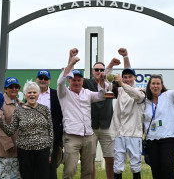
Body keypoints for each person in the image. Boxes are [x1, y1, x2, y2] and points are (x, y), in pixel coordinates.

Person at [57, 49, 108, 179]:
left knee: (87, 172)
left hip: (89, 136)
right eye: (74, 80)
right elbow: (60, 82)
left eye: (79, 80)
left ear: (82, 81)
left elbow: (102, 96)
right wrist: (70, 62)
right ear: (69, 80)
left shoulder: (87, 93)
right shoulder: (64, 93)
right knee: (69, 170)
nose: (77, 82)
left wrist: (102, 83)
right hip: (72, 136)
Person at [0, 80, 53, 179]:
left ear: (38, 94)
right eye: (29, 92)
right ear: (24, 94)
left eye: (34, 92)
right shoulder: (19, 110)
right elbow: (10, 130)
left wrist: (49, 152)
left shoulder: (45, 109)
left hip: (43, 151)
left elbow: (50, 131)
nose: (32, 94)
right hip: (25, 152)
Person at [143, 60, 174, 179]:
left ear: (162, 85)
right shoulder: (144, 100)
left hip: (168, 138)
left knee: (167, 166)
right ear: (149, 85)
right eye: (153, 83)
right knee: (155, 168)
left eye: (158, 83)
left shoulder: (168, 95)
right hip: (151, 139)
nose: (155, 86)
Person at [78, 49, 120, 178]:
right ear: (92, 71)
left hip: (108, 126)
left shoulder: (110, 85)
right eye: (97, 70)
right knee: (89, 160)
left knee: (110, 159)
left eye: (102, 70)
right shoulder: (86, 83)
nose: (99, 72)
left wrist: (110, 67)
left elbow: (104, 78)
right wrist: (110, 65)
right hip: (90, 127)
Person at [108, 48, 146, 179]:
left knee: (135, 165)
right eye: (125, 77)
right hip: (119, 133)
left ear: (135, 78)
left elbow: (134, 93)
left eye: (130, 76)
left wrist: (122, 83)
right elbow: (106, 79)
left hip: (134, 134)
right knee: (118, 166)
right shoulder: (119, 91)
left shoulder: (141, 91)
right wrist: (122, 59)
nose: (127, 79)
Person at [0, 77, 23, 179]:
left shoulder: (21, 104)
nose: (14, 89)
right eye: (11, 87)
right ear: (5, 89)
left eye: (16, 87)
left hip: (19, 150)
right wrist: (9, 145)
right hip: (5, 150)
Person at [36, 69, 63, 179]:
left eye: (45, 78)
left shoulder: (55, 94)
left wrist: (60, 137)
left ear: (49, 81)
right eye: (41, 78)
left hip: (51, 136)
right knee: (36, 167)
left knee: (51, 168)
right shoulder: (31, 93)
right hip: (34, 136)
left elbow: (60, 116)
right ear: (37, 79)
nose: (43, 80)